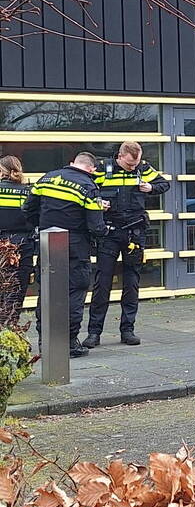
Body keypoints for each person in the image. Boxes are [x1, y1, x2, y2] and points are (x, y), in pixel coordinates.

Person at [22, 151, 108, 358]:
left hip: (47, 245)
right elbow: (96, 227)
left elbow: (28, 209)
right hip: (76, 248)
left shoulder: (47, 178)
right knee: (74, 292)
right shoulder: (88, 186)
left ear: (72, 163)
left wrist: (43, 227)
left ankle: (45, 341)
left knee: (47, 291)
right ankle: (69, 343)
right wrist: (105, 229)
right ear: (91, 168)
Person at [85, 141, 169, 347]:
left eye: (136, 163)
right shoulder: (104, 169)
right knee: (102, 283)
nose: (133, 167)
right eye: (130, 164)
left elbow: (164, 184)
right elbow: (86, 190)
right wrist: (97, 202)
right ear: (120, 156)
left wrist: (151, 187)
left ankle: (128, 330)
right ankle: (94, 333)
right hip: (110, 232)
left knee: (132, 282)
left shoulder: (143, 168)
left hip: (134, 233)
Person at [0, 156, 34, 325]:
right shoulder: (28, 191)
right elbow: (35, 218)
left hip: (2, 242)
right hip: (23, 243)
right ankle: (11, 326)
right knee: (17, 288)